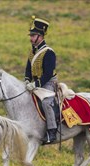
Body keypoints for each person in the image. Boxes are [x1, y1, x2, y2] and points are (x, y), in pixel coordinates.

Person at [24, 16, 57, 144]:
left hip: (48, 83)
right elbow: (28, 69)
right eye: (31, 36)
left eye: (33, 35)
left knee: (46, 102)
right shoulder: (32, 52)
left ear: (41, 36)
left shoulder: (49, 52)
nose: (31, 38)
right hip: (34, 84)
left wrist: (36, 84)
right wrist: (27, 80)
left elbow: (48, 73)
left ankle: (52, 131)